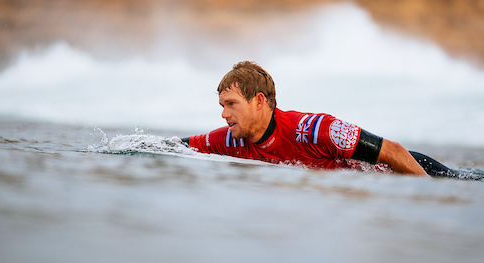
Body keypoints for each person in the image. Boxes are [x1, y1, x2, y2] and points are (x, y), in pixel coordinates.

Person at [181, 61, 453, 178]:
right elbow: (172, 146)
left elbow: (392, 151)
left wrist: (427, 196)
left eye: (231, 105)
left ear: (260, 101)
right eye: (222, 105)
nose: (224, 114)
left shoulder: (315, 130)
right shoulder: (231, 139)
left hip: (417, 170)